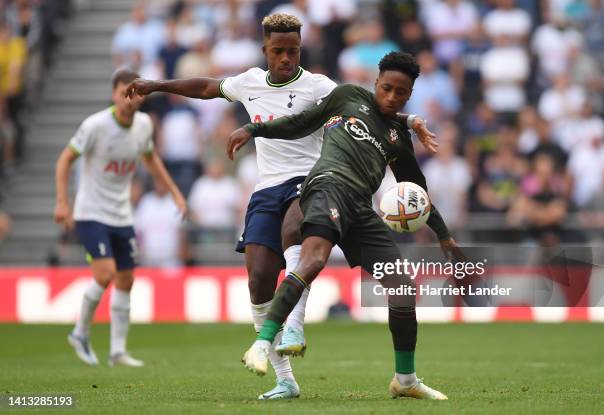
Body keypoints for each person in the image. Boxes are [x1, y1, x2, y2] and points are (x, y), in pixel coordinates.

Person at [125, 14, 436, 400]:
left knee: (296, 226)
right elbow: (206, 87)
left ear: (300, 50)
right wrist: (157, 85)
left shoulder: (319, 86)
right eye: (279, 51)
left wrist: (410, 120)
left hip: (313, 181)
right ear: (265, 51)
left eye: (293, 51)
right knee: (258, 280)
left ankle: (296, 325)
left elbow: (367, 108)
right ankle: (285, 379)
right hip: (266, 188)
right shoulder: (249, 82)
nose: (286, 58)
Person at [228, 51, 465, 400]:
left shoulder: (399, 136)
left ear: (409, 94)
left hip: (361, 208)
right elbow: (300, 121)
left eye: (401, 93)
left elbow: (417, 193)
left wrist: (444, 236)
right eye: (386, 88)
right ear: (376, 83)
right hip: (326, 187)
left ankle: (405, 380)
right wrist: (254, 128)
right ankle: (262, 343)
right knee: (313, 261)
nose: (391, 97)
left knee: (402, 287)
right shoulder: (347, 97)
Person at [54, 68, 187, 368]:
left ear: (141, 95)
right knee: (105, 274)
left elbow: (151, 159)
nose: (129, 99)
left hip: (122, 214)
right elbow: (65, 159)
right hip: (90, 212)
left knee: (126, 280)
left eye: (135, 92)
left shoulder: (143, 126)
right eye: (123, 92)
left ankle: (117, 351)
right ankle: (80, 332)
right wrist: (62, 201)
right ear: (113, 94)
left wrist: (176, 193)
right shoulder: (95, 126)